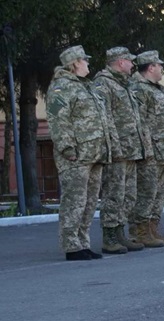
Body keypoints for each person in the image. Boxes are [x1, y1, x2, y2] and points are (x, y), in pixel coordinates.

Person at [46, 45, 112, 261]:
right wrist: (67, 147)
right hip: (76, 155)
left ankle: (83, 242)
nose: (88, 64)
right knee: (74, 201)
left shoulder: (87, 87)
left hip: (94, 153)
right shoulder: (60, 87)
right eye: (85, 61)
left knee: (90, 201)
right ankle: (71, 245)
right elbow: (58, 120)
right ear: (75, 63)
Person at [94, 46, 147, 254]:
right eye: (130, 61)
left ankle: (121, 234)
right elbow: (104, 118)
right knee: (114, 194)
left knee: (128, 195)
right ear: (120, 61)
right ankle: (110, 237)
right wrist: (114, 147)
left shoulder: (124, 84)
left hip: (131, 149)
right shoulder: (103, 83)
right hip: (117, 150)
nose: (133, 65)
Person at [129, 50, 164, 247]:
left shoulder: (157, 89)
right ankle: (140, 230)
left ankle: (152, 228)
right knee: (147, 191)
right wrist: (147, 148)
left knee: (160, 193)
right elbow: (140, 122)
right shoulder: (140, 89)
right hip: (152, 150)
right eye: (159, 66)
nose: (162, 69)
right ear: (150, 67)